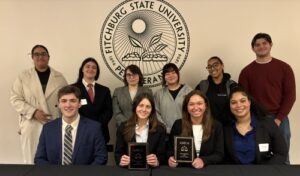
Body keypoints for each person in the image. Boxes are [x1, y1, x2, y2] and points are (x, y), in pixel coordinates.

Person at [238, 33, 295, 163]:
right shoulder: (246, 71)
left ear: (270, 45)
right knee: (258, 152)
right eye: (257, 45)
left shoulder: (284, 68)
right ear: (253, 48)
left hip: (280, 117)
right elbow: (244, 98)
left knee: (283, 152)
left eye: (264, 43)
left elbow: (290, 96)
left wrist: (279, 119)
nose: (261, 47)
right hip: (257, 118)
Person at [10, 44, 67, 164]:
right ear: (32, 57)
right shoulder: (23, 76)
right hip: (31, 123)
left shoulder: (60, 77)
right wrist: (33, 112)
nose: (40, 57)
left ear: (48, 57)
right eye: (36, 54)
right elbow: (15, 99)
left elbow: (66, 99)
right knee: (31, 160)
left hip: (53, 123)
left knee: (52, 160)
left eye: (43, 54)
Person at [34, 85, 107, 165]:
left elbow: (101, 157)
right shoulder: (48, 128)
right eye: (64, 101)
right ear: (59, 104)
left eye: (72, 101)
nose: (68, 105)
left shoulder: (94, 128)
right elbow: (39, 158)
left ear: (79, 104)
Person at [223, 87, 288, 164]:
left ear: (249, 102)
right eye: (233, 102)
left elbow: (281, 154)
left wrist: (264, 171)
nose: (238, 105)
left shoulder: (268, 124)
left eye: (243, 101)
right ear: (229, 106)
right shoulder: (224, 128)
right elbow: (220, 156)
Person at [168, 90, 224, 169]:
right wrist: (170, 159)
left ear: (206, 105)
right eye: (191, 104)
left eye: (199, 103)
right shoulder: (178, 125)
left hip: (208, 170)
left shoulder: (216, 126)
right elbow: (169, 150)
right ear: (186, 107)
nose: (195, 107)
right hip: (183, 170)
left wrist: (203, 160)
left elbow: (219, 154)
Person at [115, 92, 166, 167]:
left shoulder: (160, 129)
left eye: (148, 107)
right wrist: (121, 160)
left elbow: (162, 155)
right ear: (135, 107)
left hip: (151, 171)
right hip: (129, 171)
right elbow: (118, 153)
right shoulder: (123, 127)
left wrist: (157, 161)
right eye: (141, 105)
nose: (144, 109)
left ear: (152, 110)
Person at [72, 57, 112, 144]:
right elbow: (71, 110)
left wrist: (96, 125)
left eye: (94, 67)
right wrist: (88, 125)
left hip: (100, 133)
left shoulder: (105, 90)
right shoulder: (72, 89)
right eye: (88, 66)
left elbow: (108, 111)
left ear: (97, 71)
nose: (91, 69)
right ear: (82, 69)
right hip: (80, 132)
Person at [195, 56, 237, 126]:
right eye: (209, 66)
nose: (212, 68)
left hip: (228, 127)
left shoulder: (232, 85)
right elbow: (196, 104)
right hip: (208, 126)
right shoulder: (202, 85)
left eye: (215, 65)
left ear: (222, 65)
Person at [154, 63, 192, 134]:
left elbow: (193, 111)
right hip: (164, 133)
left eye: (173, 72)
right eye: (167, 74)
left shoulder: (188, 91)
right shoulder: (159, 94)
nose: (171, 76)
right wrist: (164, 127)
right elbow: (156, 113)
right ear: (164, 77)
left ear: (178, 74)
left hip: (185, 131)